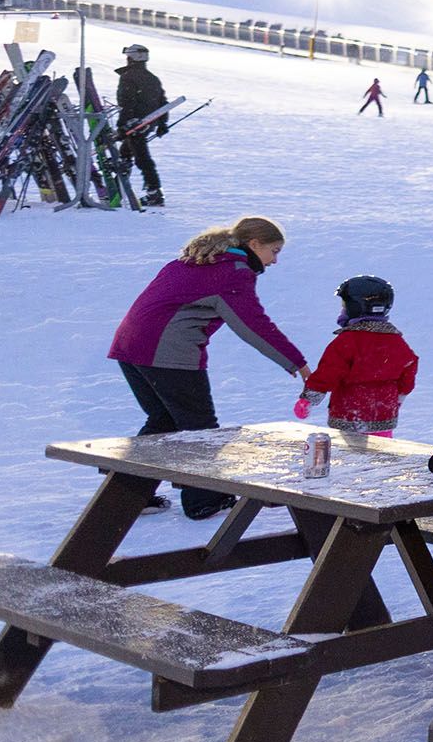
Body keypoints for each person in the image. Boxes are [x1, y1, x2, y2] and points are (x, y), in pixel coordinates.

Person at [106, 216, 309, 517]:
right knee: (199, 428)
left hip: (130, 347)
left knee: (165, 421)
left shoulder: (194, 260)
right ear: (254, 244)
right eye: (274, 250)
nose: (275, 260)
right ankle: (203, 500)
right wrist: (297, 363)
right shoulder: (232, 272)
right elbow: (252, 324)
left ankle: (127, 496)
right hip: (167, 354)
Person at [293, 276, 418, 436]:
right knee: (381, 454)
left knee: (351, 456)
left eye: (344, 306)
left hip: (349, 415)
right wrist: (398, 397)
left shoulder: (348, 341)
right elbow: (409, 368)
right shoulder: (396, 341)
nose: (342, 310)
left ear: (356, 306)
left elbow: (328, 373)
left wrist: (308, 400)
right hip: (383, 416)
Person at [114, 43, 169, 207]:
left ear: (132, 57)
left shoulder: (128, 77)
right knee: (125, 154)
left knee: (142, 158)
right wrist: (162, 123)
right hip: (147, 123)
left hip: (134, 125)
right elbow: (162, 102)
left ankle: (154, 192)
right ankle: (119, 188)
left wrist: (122, 125)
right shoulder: (152, 78)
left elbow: (127, 103)